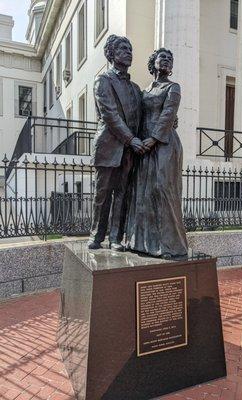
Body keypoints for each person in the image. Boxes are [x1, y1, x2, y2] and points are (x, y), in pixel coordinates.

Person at [126, 48, 188, 259]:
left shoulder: (174, 87)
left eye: (170, 59)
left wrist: (152, 139)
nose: (168, 61)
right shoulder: (145, 91)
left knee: (163, 190)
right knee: (143, 193)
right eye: (163, 58)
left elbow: (169, 114)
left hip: (164, 144)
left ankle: (170, 246)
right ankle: (142, 243)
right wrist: (136, 142)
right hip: (144, 147)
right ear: (153, 63)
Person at [87, 35, 145, 250]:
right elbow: (110, 115)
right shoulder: (103, 81)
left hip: (129, 151)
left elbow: (145, 115)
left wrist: (169, 121)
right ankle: (96, 235)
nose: (129, 51)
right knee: (102, 195)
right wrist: (132, 140)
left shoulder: (136, 89)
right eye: (123, 48)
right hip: (110, 147)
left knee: (122, 194)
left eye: (130, 48)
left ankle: (115, 237)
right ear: (111, 53)